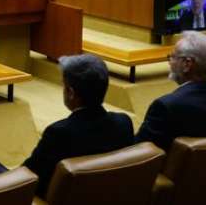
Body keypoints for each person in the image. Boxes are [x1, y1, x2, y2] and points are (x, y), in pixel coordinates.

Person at [23, 54, 133, 198]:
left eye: (64, 86)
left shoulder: (58, 133)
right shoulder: (124, 123)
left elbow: (28, 178)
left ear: (71, 93)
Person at [135, 31, 206, 150]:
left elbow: (139, 152)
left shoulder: (165, 108)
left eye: (172, 57)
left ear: (187, 64)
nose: (170, 62)